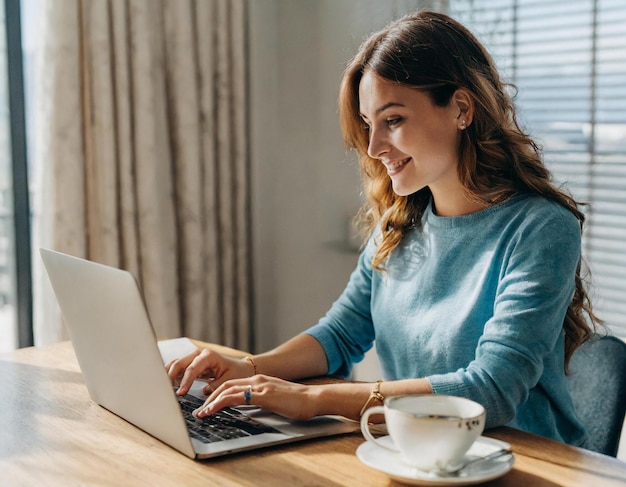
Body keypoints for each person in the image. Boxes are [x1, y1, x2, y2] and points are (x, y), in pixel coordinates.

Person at [166, 10, 602, 447]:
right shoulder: (399, 224)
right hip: (416, 452)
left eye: (393, 120)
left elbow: (490, 389)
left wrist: (315, 398)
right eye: (369, 125)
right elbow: (339, 335)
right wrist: (252, 367)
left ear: (461, 108)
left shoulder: (541, 229)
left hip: (523, 461)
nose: (374, 148)